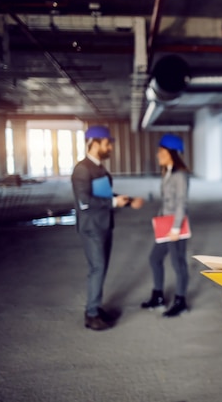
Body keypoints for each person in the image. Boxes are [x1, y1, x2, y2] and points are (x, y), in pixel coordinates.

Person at [71, 125, 144, 331]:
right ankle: (92, 314)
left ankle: (96, 306)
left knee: (100, 269)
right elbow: (84, 201)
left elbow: (104, 194)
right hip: (92, 227)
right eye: (107, 143)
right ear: (94, 143)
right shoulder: (82, 169)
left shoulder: (99, 167)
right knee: (97, 269)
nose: (110, 147)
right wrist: (114, 203)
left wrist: (127, 201)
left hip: (104, 224)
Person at [140, 134, 191, 317]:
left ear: (171, 153)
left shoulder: (180, 175)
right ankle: (158, 297)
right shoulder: (168, 172)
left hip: (175, 227)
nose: (157, 154)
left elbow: (181, 203)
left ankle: (180, 301)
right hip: (164, 225)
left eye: (161, 150)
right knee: (155, 258)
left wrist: (176, 228)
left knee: (178, 265)